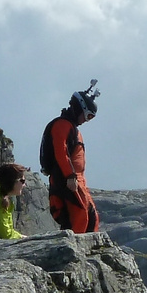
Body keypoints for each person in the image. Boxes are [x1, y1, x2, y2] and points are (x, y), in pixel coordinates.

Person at [39, 81, 100, 233]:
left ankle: (88, 250)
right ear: (79, 108)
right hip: (66, 177)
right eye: (87, 115)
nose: (86, 120)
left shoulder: (72, 128)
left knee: (91, 217)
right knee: (79, 215)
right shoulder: (62, 125)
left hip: (78, 179)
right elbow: (60, 150)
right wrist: (69, 175)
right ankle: (73, 251)